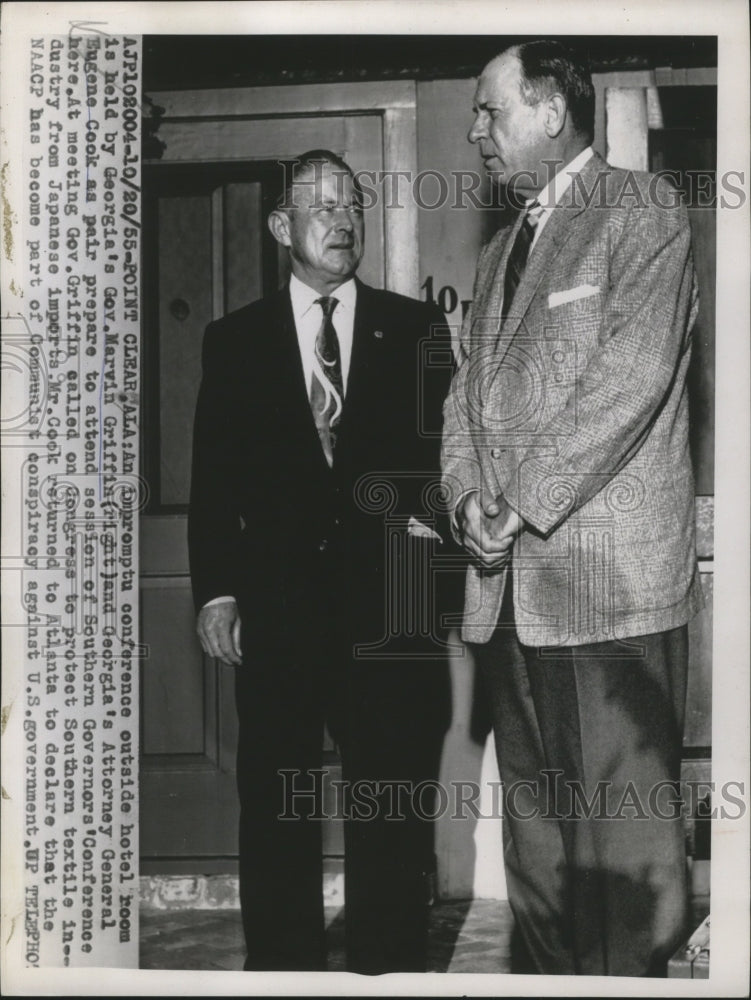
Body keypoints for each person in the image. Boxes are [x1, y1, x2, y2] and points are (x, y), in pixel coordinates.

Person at [441, 41, 702, 977]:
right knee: (541, 860)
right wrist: (469, 497)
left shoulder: (641, 211)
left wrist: (517, 501)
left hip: (606, 597)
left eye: (489, 110)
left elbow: (625, 382)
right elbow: (462, 399)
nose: (475, 132)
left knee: (621, 873)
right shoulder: (505, 248)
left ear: (552, 111)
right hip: (510, 597)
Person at [188, 150, 454, 973]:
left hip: (388, 617)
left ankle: (390, 970)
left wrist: (429, 586)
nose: (343, 221)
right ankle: (282, 971)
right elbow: (211, 481)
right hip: (280, 616)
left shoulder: (414, 329)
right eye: (322, 206)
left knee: (390, 804)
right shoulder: (232, 342)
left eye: (354, 205)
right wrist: (217, 593)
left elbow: (449, 468)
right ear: (281, 227)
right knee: (275, 802)